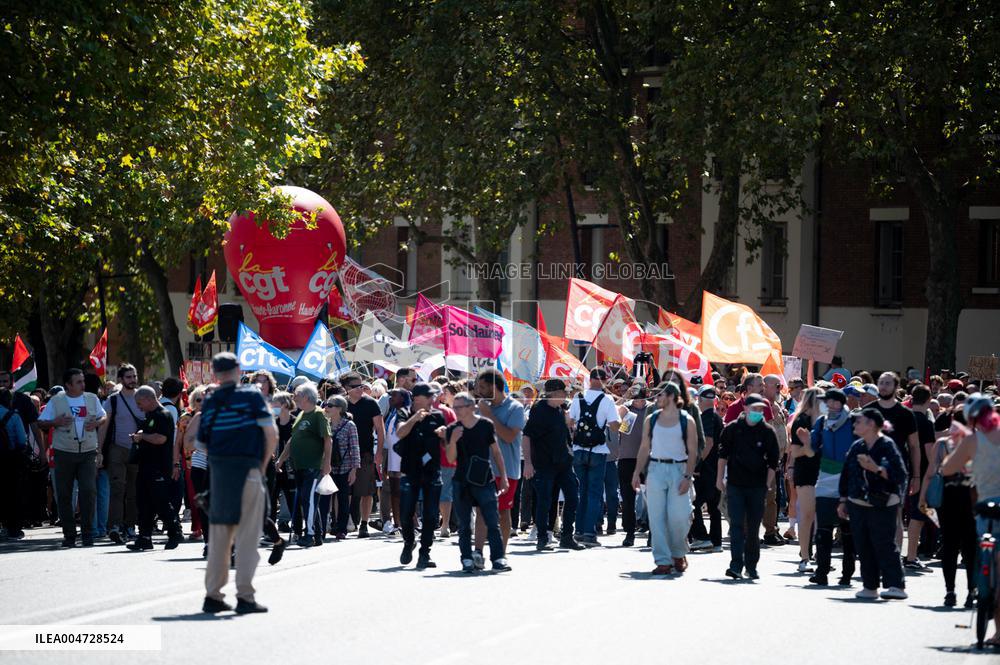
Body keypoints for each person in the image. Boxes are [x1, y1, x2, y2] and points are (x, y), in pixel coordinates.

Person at [197, 352, 277, 614]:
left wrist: (222, 460)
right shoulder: (251, 396)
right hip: (248, 471)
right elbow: (271, 434)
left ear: (215, 374)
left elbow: (201, 444)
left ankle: (213, 596)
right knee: (247, 537)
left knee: (220, 538)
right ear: (238, 370)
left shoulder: (209, 401)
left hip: (220, 475)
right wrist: (261, 467)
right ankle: (245, 597)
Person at [939, 394, 1000, 642]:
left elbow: (947, 469)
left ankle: (984, 588)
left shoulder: (972, 440)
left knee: (984, 549)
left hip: (986, 505)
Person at [838, 408, 908, 600]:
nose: (854, 424)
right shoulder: (857, 446)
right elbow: (846, 474)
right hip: (857, 501)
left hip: (883, 502)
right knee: (863, 545)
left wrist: (875, 468)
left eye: (859, 421)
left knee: (884, 543)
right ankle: (870, 586)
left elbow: (900, 475)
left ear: (871, 424)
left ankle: (896, 585)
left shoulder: (887, 445)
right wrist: (843, 500)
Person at [631, 382, 697, 575]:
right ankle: (663, 561)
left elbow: (693, 451)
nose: (656, 398)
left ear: (671, 397)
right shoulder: (651, 419)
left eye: (660, 395)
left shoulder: (687, 420)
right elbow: (645, 447)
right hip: (656, 469)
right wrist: (636, 472)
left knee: (680, 516)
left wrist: (688, 476)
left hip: (679, 469)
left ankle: (678, 552)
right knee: (656, 517)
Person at [38, 368, 107, 547]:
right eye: (78, 382)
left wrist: (97, 422)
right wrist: (55, 422)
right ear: (68, 385)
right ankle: (69, 535)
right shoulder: (56, 400)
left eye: (83, 381)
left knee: (88, 491)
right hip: (64, 451)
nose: (83, 385)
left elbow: (103, 416)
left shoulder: (91, 398)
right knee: (64, 494)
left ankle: (87, 534)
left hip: (88, 451)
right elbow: (41, 422)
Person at [445, 392, 511, 572]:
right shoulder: (452, 429)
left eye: (459, 407)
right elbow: (451, 459)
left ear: (470, 407)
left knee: (492, 520)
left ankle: (498, 558)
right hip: (461, 480)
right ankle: (466, 558)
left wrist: (503, 477)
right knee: (464, 524)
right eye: (454, 407)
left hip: (484, 479)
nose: (456, 411)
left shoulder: (485, 425)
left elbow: (496, 452)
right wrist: (453, 440)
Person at [717, 393, 779, 580]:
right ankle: (736, 565)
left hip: (757, 486)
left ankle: (751, 566)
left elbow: (773, 461)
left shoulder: (767, 431)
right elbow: (722, 455)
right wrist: (719, 479)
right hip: (735, 485)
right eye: (754, 408)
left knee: (753, 528)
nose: (758, 412)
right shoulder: (733, 429)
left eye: (760, 409)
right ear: (745, 408)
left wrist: (767, 483)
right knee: (736, 525)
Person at [522, 379, 583, 552]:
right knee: (544, 501)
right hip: (544, 464)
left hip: (563, 463)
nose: (566, 395)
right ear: (554, 393)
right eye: (564, 392)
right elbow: (527, 436)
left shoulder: (560, 409)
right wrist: (528, 463)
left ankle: (567, 536)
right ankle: (542, 538)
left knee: (573, 496)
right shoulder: (539, 410)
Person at [919, 425, 977, 608]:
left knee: (950, 547)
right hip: (971, 501)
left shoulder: (942, 444)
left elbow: (930, 473)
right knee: (970, 549)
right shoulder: (977, 444)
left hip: (946, 501)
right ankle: (971, 591)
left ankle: (950, 592)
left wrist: (922, 499)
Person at [394, 382, 446, 568]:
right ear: (416, 398)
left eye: (433, 396)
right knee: (406, 513)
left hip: (432, 471)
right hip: (410, 470)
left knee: (431, 515)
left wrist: (445, 436)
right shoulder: (404, 413)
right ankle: (409, 542)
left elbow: (446, 444)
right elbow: (400, 433)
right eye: (429, 396)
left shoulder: (438, 415)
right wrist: (415, 418)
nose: (433, 399)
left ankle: (425, 553)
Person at [474, 368, 526, 554]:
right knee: (481, 511)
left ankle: (500, 554)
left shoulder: (515, 408)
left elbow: (509, 436)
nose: (479, 391)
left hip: (507, 470)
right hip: (482, 469)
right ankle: (478, 552)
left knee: (503, 512)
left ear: (494, 387)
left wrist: (488, 415)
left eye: (482, 387)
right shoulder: (481, 408)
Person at [568, 368, 621, 546]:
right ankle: (590, 533)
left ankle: (579, 530)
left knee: (582, 491)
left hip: (578, 449)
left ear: (590, 379)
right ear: (604, 380)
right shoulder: (607, 399)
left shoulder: (578, 397)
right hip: (598, 450)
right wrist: (621, 417)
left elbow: (570, 422)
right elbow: (614, 426)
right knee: (594, 493)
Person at [275, 382, 332, 548]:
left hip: (313, 465)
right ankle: (317, 534)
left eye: (297, 395)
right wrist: (281, 459)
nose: (294, 398)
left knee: (309, 499)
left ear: (306, 397)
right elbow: (293, 440)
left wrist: (326, 463)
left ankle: (310, 534)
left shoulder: (318, 414)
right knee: (307, 500)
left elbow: (327, 440)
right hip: (299, 465)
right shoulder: (300, 415)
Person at [126, 386, 181, 551]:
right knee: (143, 503)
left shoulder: (163, 415)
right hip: (146, 465)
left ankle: (175, 532)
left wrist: (142, 436)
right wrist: (140, 436)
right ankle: (144, 538)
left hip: (159, 467)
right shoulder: (149, 415)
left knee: (161, 502)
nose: (138, 407)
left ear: (149, 399)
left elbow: (160, 439)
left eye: (139, 403)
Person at [102, 363, 143, 543]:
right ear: (120, 379)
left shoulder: (143, 396)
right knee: (117, 489)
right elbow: (104, 427)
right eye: (128, 377)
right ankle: (115, 526)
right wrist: (98, 450)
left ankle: (130, 526)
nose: (132, 380)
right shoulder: (112, 400)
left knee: (133, 491)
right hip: (117, 449)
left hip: (137, 450)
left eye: (134, 376)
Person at [342, 372, 385, 538]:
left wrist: (379, 453)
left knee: (366, 491)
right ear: (346, 388)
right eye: (356, 386)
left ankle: (364, 524)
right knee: (344, 491)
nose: (360, 389)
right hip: (344, 454)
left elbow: (380, 430)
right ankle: (344, 522)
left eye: (361, 385)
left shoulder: (371, 403)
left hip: (365, 453)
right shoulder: (341, 403)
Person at [787, 388, 823, 572]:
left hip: (824, 472)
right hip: (806, 472)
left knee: (821, 517)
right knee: (807, 515)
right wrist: (809, 448)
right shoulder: (801, 421)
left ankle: (821, 556)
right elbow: (795, 451)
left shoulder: (826, 421)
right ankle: (805, 557)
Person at [903, 384, 936, 568]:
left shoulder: (905, 418)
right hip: (921, 475)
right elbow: (930, 454)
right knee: (918, 516)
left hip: (903, 472)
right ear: (929, 400)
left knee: (911, 515)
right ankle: (911, 556)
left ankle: (909, 554)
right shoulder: (925, 423)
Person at [690, 384, 723, 552]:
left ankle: (701, 537)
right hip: (715, 469)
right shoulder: (715, 417)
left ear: (700, 399)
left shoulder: (707, 417)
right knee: (713, 507)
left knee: (693, 504)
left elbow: (708, 442)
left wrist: (696, 464)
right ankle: (716, 542)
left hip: (706, 470)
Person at [617, 385, 649, 547]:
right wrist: (623, 402)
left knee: (652, 498)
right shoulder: (625, 409)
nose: (638, 402)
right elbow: (614, 423)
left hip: (648, 459)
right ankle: (629, 533)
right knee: (628, 498)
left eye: (640, 398)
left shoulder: (652, 409)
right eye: (635, 399)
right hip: (627, 458)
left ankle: (652, 532)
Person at [324, 396, 359, 540]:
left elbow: (355, 448)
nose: (326, 407)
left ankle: (341, 528)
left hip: (345, 468)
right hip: (327, 468)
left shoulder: (350, 425)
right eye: (326, 405)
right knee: (325, 498)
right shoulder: (324, 423)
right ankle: (324, 527)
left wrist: (354, 470)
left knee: (343, 499)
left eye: (330, 405)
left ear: (339, 408)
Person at [761, 374, 788, 545]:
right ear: (765, 387)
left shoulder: (777, 405)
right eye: (776, 386)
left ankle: (772, 530)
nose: (780, 389)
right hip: (765, 460)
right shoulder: (761, 406)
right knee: (765, 497)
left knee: (774, 497)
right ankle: (759, 531)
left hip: (778, 459)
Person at [0, 387, 28, 540]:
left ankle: (3, 526)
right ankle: (13, 528)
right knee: (13, 494)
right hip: (10, 460)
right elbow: (22, 440)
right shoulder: (14, 416)